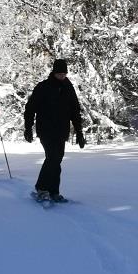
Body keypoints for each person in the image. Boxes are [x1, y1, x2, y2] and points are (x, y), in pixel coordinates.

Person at [24, 59, 85, 203]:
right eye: (59, 74)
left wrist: (79, 132)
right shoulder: (43, 87)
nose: (62, 76)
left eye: (64, 74)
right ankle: (41, 188)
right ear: (54, 72)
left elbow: (75, 111)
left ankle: (54, 191)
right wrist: (28, 128)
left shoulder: (68, 88)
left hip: (61, 130)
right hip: (45, 129)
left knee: (57, 159)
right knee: (52, 157)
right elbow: (30, 108)